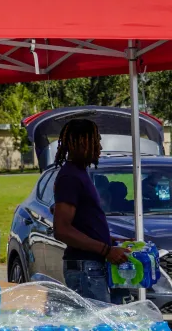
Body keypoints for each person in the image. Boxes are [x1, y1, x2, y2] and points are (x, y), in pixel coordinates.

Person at [52, 118, 130, 303]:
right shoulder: (70, 177)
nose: (100, 147)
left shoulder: (79, 173)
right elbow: (62, 230)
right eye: (95, 141)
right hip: (84, 268)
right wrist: (105, 250)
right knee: (97, 328)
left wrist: (110, 241)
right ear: (80, 143)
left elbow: (82, 223)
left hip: (90, 265)